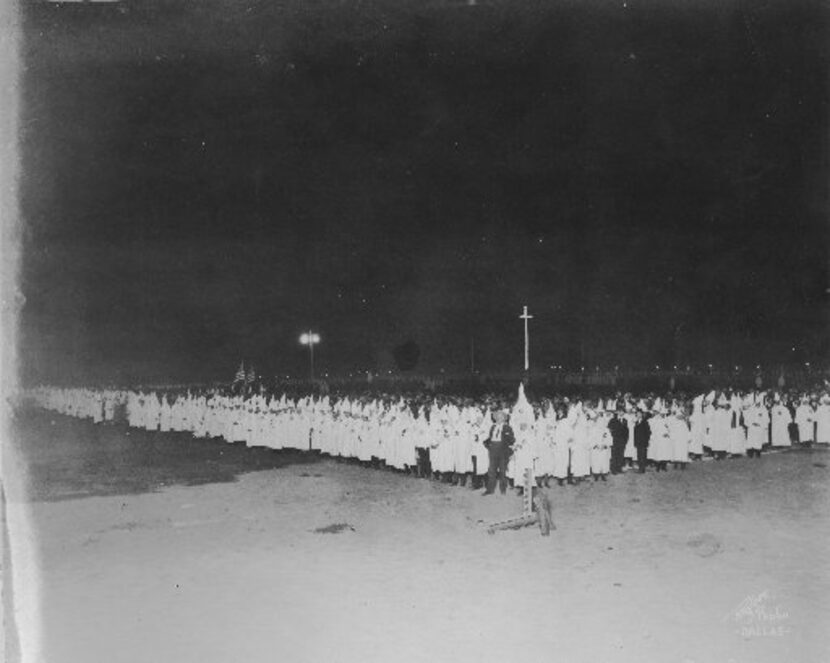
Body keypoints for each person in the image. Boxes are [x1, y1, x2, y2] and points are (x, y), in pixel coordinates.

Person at [483, 410, 515, 495]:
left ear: (504, 418)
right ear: (495, 418)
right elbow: (489, 437)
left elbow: (512, 440)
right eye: (497, 417)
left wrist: (508, 447)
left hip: (503, 450)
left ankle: (503, 489)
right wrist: (488, 445)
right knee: (491, 470)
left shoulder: (508, 427)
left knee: (502, 471)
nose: (499, 419)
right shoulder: (492, 427)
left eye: (501, 417)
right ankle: (490, 489)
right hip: (493, 449)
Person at [608, 407, 629, 474]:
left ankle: (619, 468)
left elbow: (626, 431)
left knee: (621, 455)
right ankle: (613, 469)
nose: (621, 413)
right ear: (617, 412)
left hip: (622, 441)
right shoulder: (612, 420)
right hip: (615, 440)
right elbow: (609, 429)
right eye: (619, 411)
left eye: (622, 411)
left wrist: (626, 440)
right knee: (614, 455)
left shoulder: (625, 420)